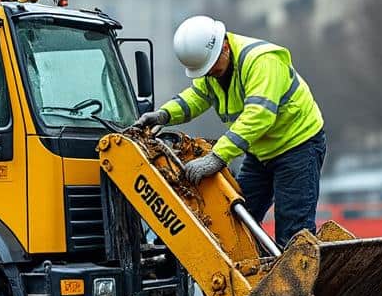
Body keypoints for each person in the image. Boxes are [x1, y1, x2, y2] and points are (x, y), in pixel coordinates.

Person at [133, 15, 326, 246]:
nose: (210, 73)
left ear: (224, 45)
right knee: (233, 220)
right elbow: (195, 97)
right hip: (261, 153)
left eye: (212, 67)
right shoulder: (213, 68)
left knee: (293, 233)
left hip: (297, 147)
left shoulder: (262, 61)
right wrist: (163, 115)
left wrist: (217, 157)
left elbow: (259, 115)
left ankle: (298, 279)